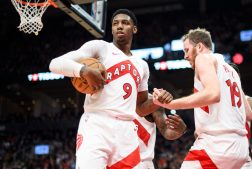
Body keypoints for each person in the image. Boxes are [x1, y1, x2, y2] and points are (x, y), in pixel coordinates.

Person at [49, 9, 172, 169]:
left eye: (125, 23)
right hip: (97, 125)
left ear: (134, 29)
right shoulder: (100, 48)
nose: (119, 26)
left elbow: (140, 109)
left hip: (127, 130)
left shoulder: (142, 65)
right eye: (115, 24)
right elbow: (55, 64)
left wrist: (157, 101)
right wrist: (84, 71)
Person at [153, 28, 252, 169]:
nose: (185, 56)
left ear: (199, 47)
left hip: (216, 146)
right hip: (241, 149)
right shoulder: (231, 71)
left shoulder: (203, 58)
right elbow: (248, 113)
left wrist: (172, 104)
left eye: (187, 50)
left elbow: (213, 94)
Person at [135, 94, 187, 169]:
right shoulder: (113, 99)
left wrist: (180, 131)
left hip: (141, 163)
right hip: (114, 158)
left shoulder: (152, 100)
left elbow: (167, 132)